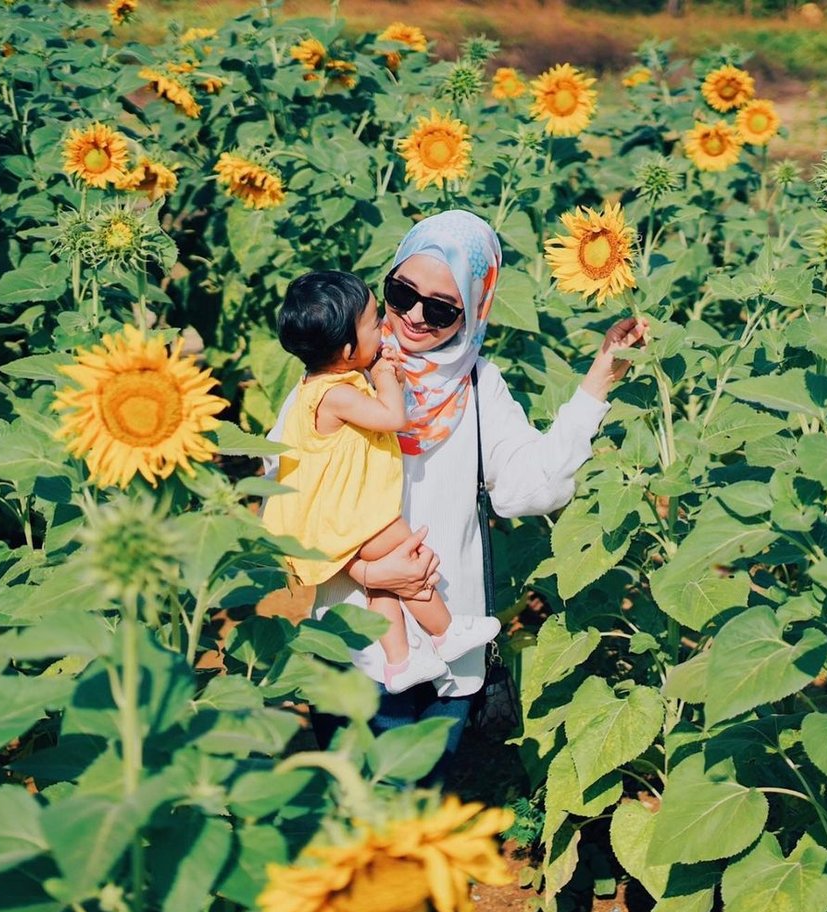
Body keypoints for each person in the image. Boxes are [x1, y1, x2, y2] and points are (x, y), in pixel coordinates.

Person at [268, 210, 647, 781]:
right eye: (402, 294)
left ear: (475, 305)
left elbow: (530, 489)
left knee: (417, 807)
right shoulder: (337, 377)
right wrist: (369, 575)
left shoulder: (477, 384)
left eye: (442, 308)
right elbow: (285, 490)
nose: (416, 317)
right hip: (353, 634)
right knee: (358, 807)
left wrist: (598, 383)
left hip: (450, 637)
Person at [262, 271, 501, 694]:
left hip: (337, 520)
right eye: (374, 323)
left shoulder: (314, 386)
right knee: (412, 561)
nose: (384, 327)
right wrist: (386, 377)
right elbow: (394, 418)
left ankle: (400, 660)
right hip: (355, 517)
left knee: (385, 590)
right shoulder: (336, 394)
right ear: (349, 349)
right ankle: (446, 633)